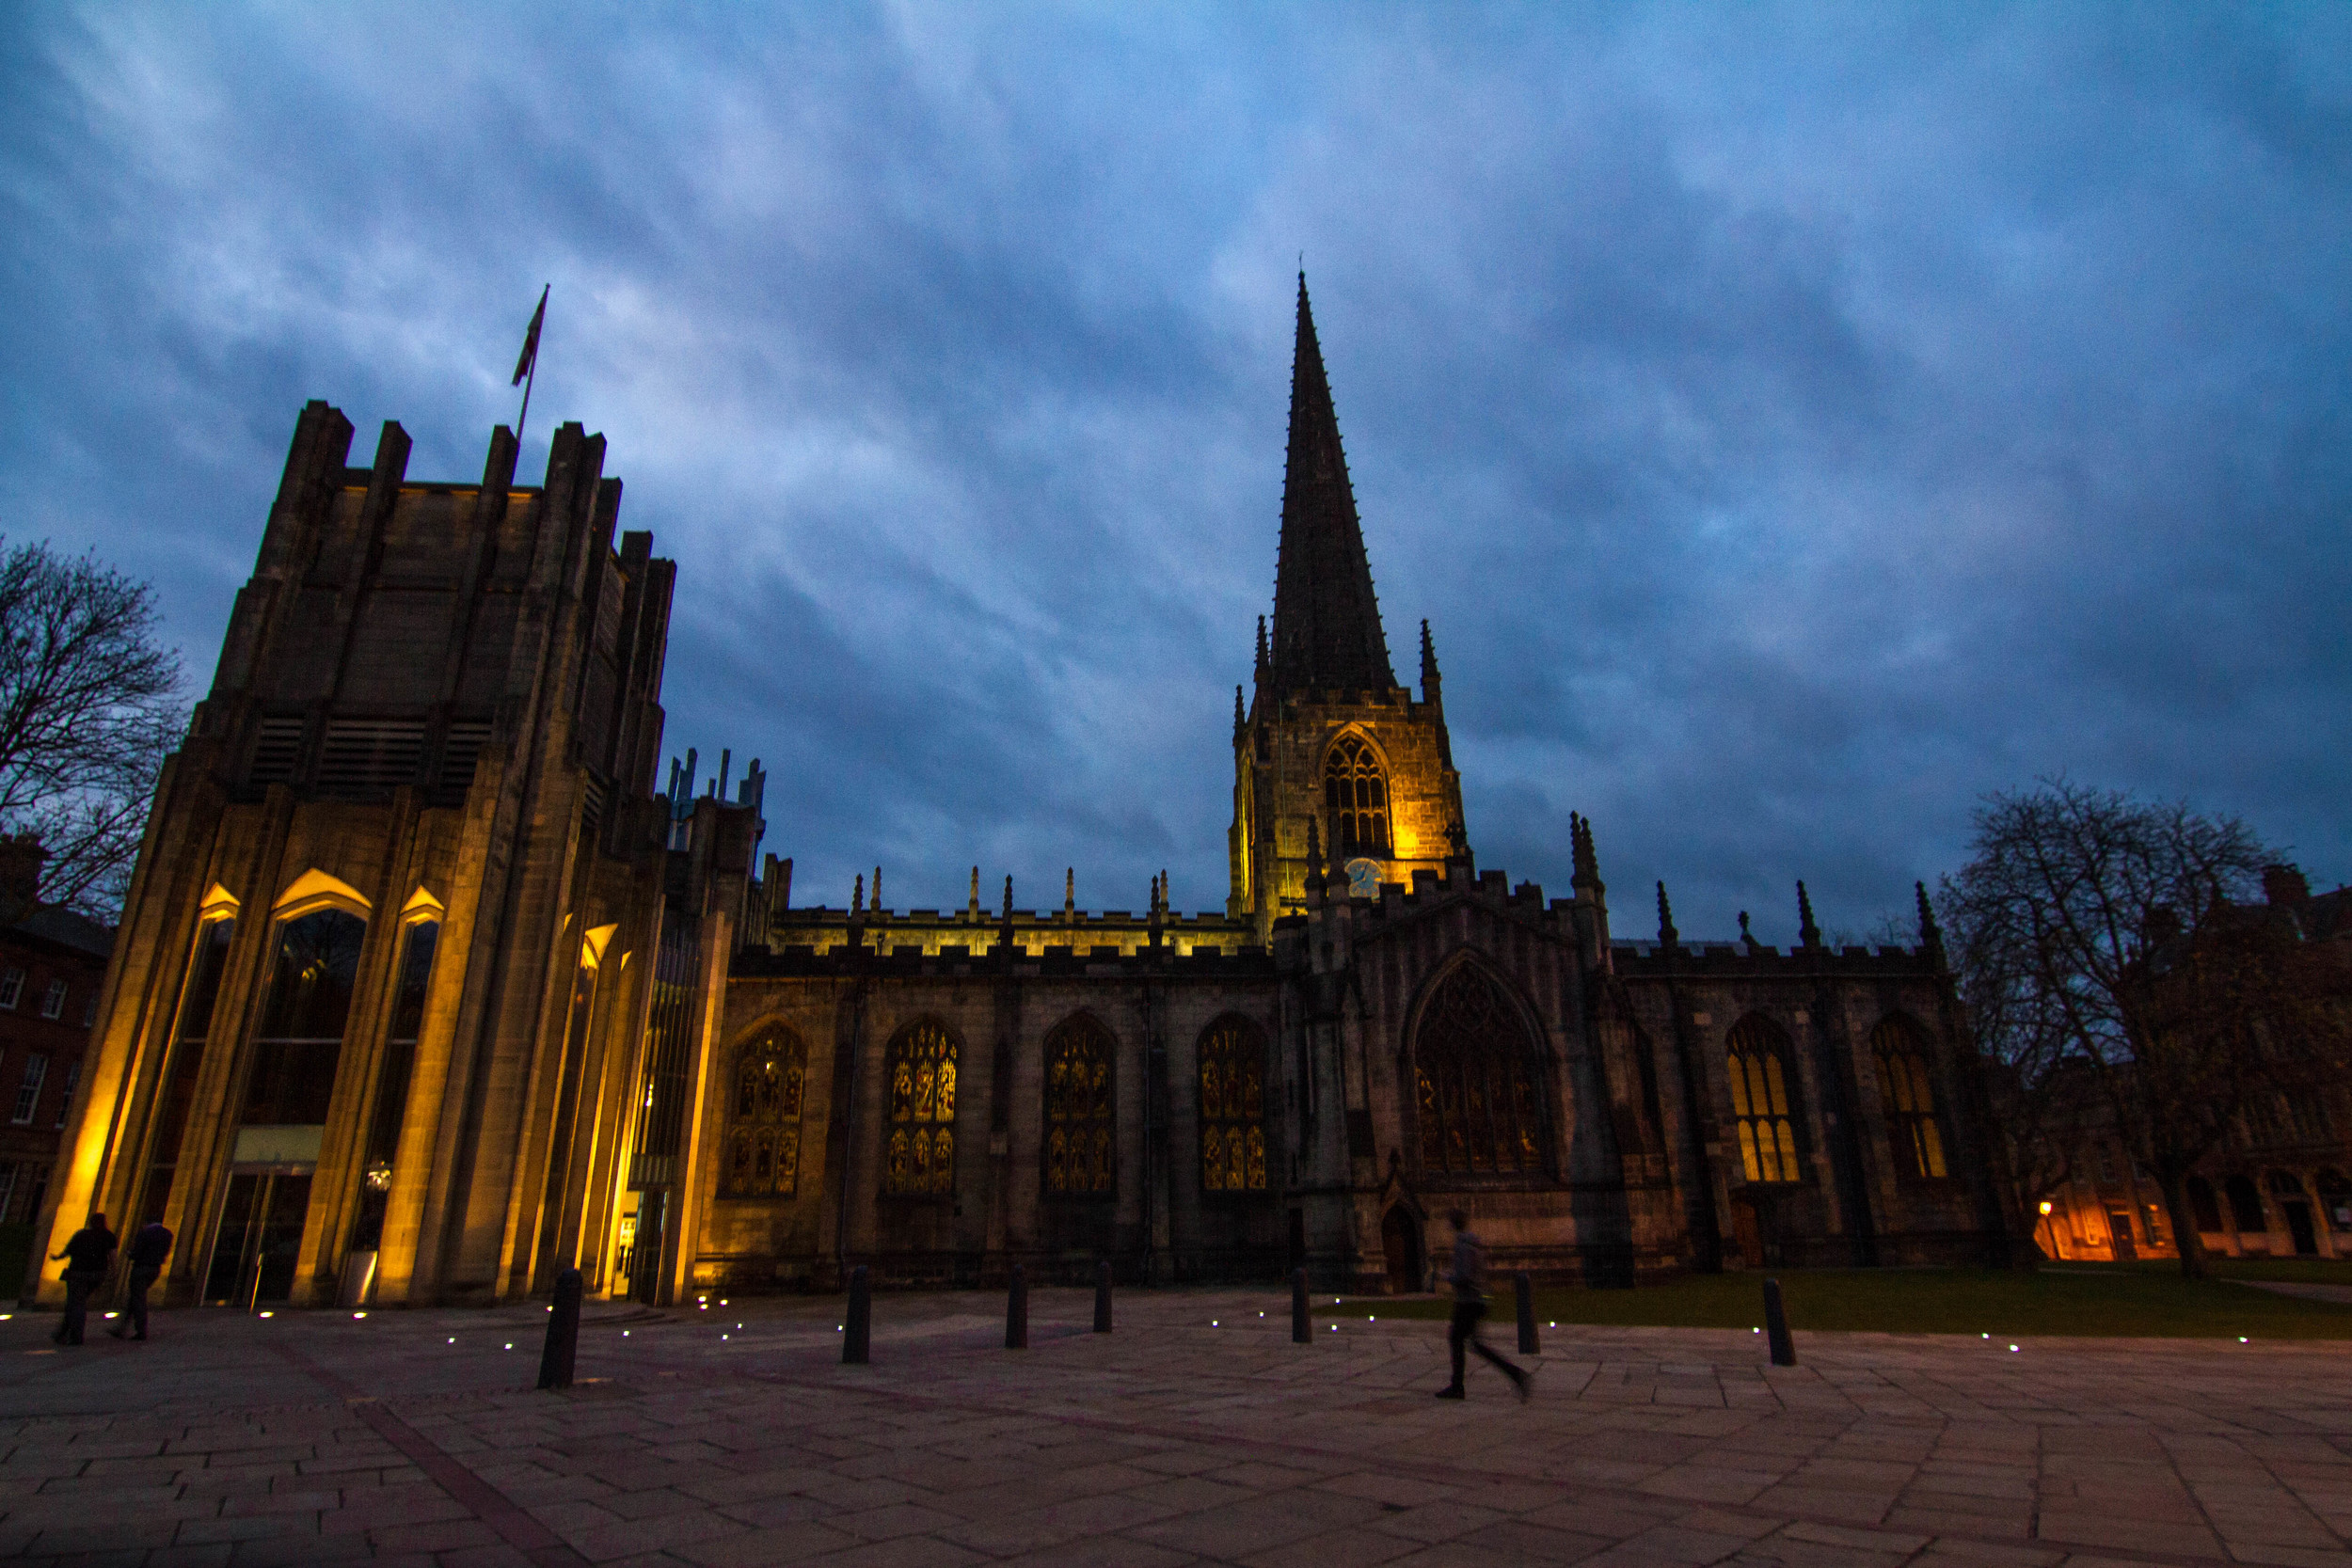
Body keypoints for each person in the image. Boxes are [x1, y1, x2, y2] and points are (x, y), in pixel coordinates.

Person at [1435, 1208, 1529, 1402]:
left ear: (1453, 1224)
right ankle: (1514, 1374)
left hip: (1468, 1301)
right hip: (1478, 1299)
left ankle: (1458, 1386)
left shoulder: (1462, 1245)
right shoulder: (1474, 1243)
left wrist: (1447, 1277)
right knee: (1472, 1343)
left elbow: (1464, 1276)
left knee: (1457, 1339)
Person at [48, 1212, 117, 1347]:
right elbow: (113, 1256)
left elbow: (67, 1251)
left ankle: (75, 1336)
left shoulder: (81, 1235)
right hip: (97, 1274)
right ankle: (62, 1332)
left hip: (78, 1272)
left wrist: (57, 1257)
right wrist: (114, 1272)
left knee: (75, 1303)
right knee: (77, 1302)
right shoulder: (109, 1236)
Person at [107, 1218, 173, 1341]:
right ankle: (121, 1328)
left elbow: (137, 1252)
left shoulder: (145, 1233)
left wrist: (129, 1254)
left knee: (138, 1299)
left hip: (141, 1268)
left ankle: (141, 1330)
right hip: (155, 1268)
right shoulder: (167, 1233)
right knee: (135, 1298)